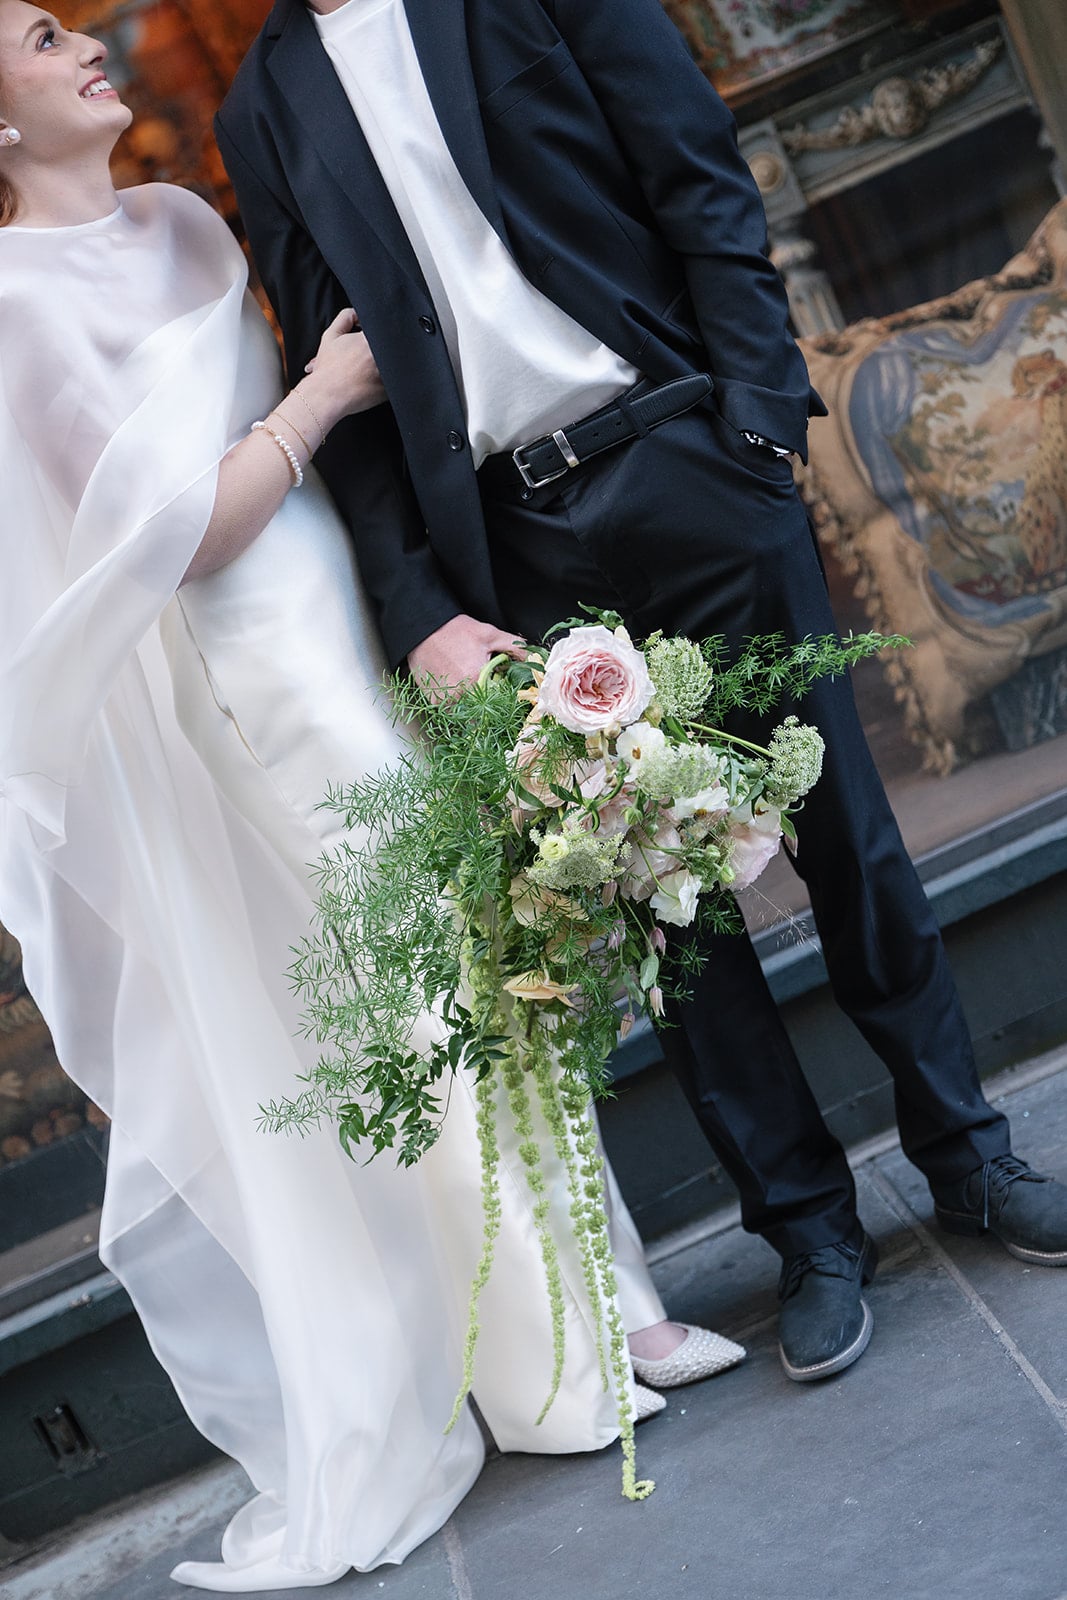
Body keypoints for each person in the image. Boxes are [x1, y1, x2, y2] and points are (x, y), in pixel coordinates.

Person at [217, 0, 1067, 1390]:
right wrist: (420, 607)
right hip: (513, 547)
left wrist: (752, 421)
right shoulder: (265, 103)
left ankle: (969, 1155)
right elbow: (343, 374)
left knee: (839, 831)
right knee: (662, 912)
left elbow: (696, 172)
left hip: (685, 457)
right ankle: (809, 1236)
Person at [0, 6, 743, 1592]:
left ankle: (600, 1310)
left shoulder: (187, 218)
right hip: (257, 674)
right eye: (39, 35)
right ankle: (564, 1371)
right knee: (422, 1004)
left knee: (482, 971)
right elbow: (169, 539)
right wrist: (321, 398)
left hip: (346, 616)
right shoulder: (10, 304)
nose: (83, 45)